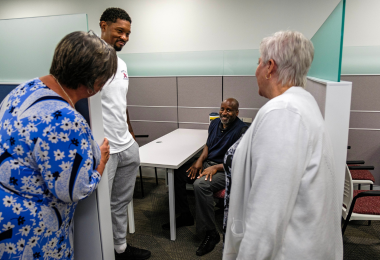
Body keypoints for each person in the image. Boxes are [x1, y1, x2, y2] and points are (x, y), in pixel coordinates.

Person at [223, 31, 343, 260]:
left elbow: (267, 214)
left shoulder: (283, 113)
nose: (256, 69)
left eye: (258, 62)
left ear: (270, 67)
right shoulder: (299, 107)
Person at [0, 31, 114, 259]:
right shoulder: (66, 121)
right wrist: (100, 164)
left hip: (7, 215)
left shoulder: (23, 90)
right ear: (94, 81)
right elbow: (73, 190)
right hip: (33, 234)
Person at [162, 98, 247, 256]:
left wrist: (215, 167)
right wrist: (199, 161)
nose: (224, 112)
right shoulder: (214, 123)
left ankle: (211, 233)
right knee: (179, 173)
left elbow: (240, 160)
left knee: (201, 185)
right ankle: (185, 214)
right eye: (222, 108)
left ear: (237, 112)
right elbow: (208, 146)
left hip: (226, 170)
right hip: (208, 163)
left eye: (229, 110)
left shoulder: (242, 130)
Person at [99, 7, 151, 260]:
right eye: (120, 31)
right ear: (103, 25)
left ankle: (120, 249)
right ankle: (101, 251)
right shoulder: (89, 60)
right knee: (98, 207)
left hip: (126, 145)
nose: (125, 38)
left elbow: (121, 101)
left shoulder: (121, 63)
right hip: (104, 148)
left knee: (120, 203)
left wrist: (130, 130)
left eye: (128, 33)